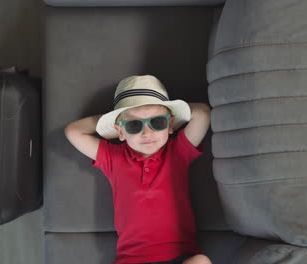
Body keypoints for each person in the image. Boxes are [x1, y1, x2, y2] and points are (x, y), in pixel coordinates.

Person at [65, 75, 212, 264]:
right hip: (131, 259)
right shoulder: (114, 158)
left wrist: (166, 115)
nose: (147, 133)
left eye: (157, 122)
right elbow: (73, 131)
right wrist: (114, 119)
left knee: (201, 261)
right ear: (120, 131)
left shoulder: (177, 152)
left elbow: (203, 113)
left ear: (170, 125)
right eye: (134, 125)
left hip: (181, 255)